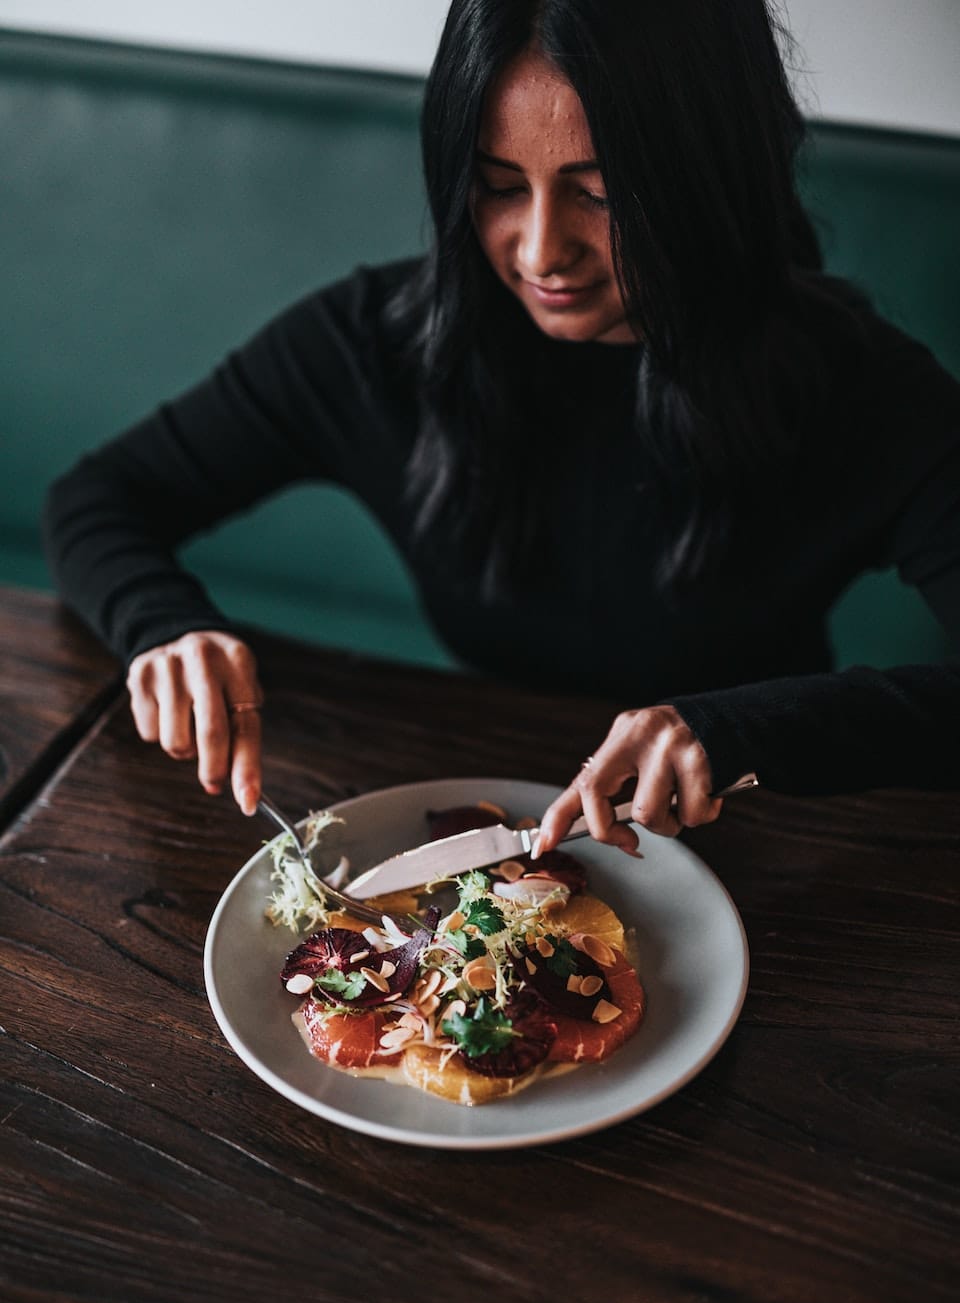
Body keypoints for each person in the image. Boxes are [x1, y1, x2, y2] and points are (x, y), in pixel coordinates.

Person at [43, 0, 960, 856]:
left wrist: (739, 730)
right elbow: (98, 498)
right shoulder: (377, 344)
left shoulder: (859, 386)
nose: (540, 251)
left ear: (708, 173)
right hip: (478, 816)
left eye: (602, 194)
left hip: (767, 839)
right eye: (498, 186)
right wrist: (164, 627)